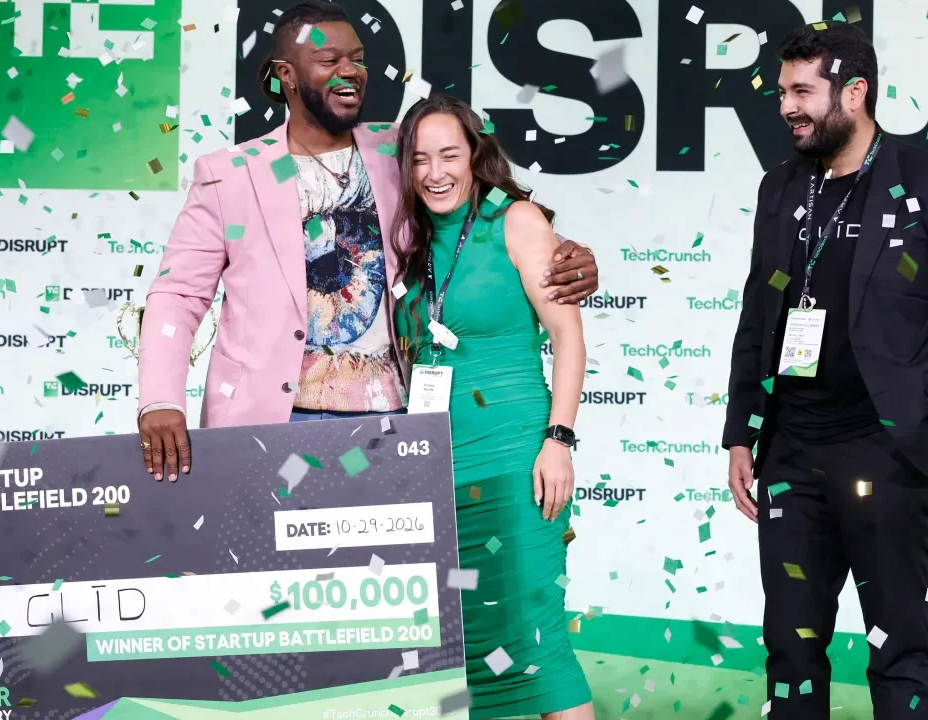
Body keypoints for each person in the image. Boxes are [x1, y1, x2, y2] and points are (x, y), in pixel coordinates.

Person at [135, 0, 598, 480]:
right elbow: (178, 293)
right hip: (265, 423)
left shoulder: (397, 149)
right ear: (286, 75)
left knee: (379, 558)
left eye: (356, 58)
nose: (349, 71)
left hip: (391, 423)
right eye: (329, 60)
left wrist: (566, 251)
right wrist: (161, 399)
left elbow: (474, 207)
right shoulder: (228, 174)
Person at [722, 22, 928, 720]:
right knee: (790, 652)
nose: (787, 105)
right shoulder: (781, 189)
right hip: (792, 450)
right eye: (783, 90)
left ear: (854, 92)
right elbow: (759, 317)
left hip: (894, 456)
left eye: (803, 91)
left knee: (898, 650)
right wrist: (742, 431)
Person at [391, 94, 594, 720]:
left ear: (477, 156)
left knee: (539, 644)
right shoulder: (414, 241)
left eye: (449, 154)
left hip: (515, 466)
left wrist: (558, 440)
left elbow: (568, 338)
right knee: (468, 661)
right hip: (439, 477)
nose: (434, 172)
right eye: (420, 159)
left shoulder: (518, 221)